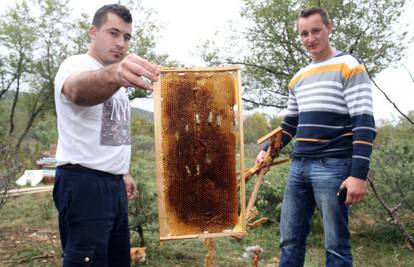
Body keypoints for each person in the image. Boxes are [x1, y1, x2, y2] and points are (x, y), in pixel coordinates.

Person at [256, 7, 376, 267]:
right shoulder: (299, 77)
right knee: (289, 240)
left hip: (333, 167)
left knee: (336, 245)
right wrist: (268, 148)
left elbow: (364, 124)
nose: (309, 38)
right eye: (303, 34)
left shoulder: (350, 66)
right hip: (299, 167)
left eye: (315, 31)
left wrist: (358, 175)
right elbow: (290, 124)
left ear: (329, 28)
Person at [53, 4, 159, 266]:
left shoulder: (119, 87)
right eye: (113, 33)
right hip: (83, 182)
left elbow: (112, 131)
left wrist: (123, 171)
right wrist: (116, 74)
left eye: (126, 37)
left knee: (115, 260)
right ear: (93, 31)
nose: (121, 43)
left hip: (113, 185)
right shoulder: (75, 65)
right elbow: (78, 90)